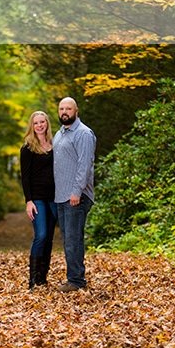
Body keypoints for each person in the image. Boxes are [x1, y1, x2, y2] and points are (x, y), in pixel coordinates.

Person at [53, 96, 97, 293]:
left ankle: (77, 281)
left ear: (76, 111)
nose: (64, 112)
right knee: (67, 239)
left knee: (73, 239)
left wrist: (76, 192)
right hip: (61, 196)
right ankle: (73, 278)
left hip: (76, 196)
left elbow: (84, 165)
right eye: (61, 108)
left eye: (68, 108)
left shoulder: (83, 133)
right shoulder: (60, 134)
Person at [19, 110, 56, 290]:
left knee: (49, 238)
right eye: (36, 123)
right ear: (32, 126)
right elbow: (25, 177)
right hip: (38, 199)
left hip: (55, 198)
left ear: (47, 124)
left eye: (42, 122)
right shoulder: (27, 148)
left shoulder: (54, 144)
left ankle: (43, 277)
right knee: (40, 235)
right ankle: (32, 279)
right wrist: (29, 201)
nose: (39, 125)